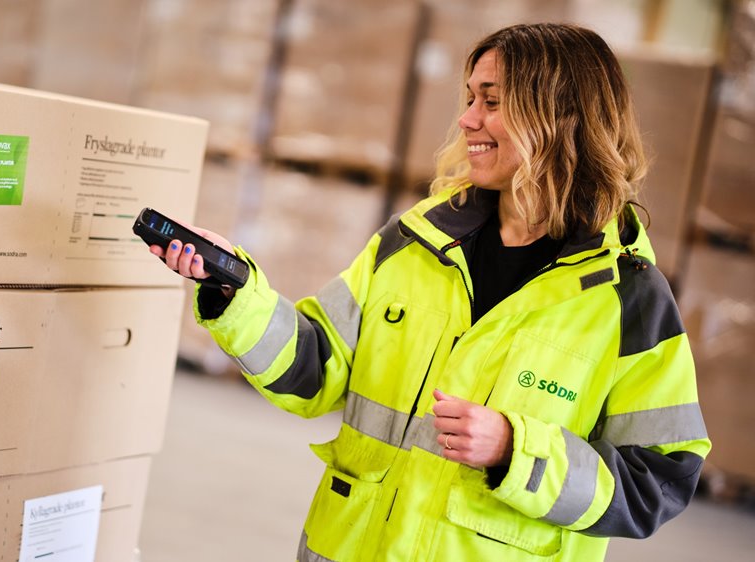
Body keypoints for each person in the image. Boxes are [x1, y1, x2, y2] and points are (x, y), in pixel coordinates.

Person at [148, 23, 710, 562]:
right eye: (469, 98)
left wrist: (517, 451)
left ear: (561, 117)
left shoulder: (629, 298)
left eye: (491, 101)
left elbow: (660, 478)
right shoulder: (415, 242)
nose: (467, 120)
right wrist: (237, 293)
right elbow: (316, 368)